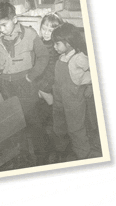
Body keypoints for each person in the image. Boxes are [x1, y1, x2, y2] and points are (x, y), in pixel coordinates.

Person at [0, 1, 49, 164]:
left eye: (4, 25)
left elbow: (44, 57)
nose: (1, 29)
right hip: (5, 85)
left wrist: (32, 76)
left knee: (33, 121)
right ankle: (22, 154)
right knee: (15, 122)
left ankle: (42, 156)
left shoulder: (30, 34)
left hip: (25, 84)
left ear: (14, 19)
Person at [51, 23, 94, 160]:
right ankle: (62, 149)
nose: (54, 47)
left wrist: (90, 86)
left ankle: (83, 154)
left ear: (68, 43)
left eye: (57, 44)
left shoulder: (79, 58)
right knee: (59, 124)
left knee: (76, 128)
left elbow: (94, 71)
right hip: (59, 98)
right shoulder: (62, 56)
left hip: (74, 100)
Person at [36, 12, 64, 106]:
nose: (46, 33)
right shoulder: (41, 41)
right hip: (44, 73)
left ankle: (53, 105)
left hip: (52, 74)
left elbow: (52, 67)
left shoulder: (55, 45)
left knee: (42, 91)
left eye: (50, 30)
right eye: (43, 29)